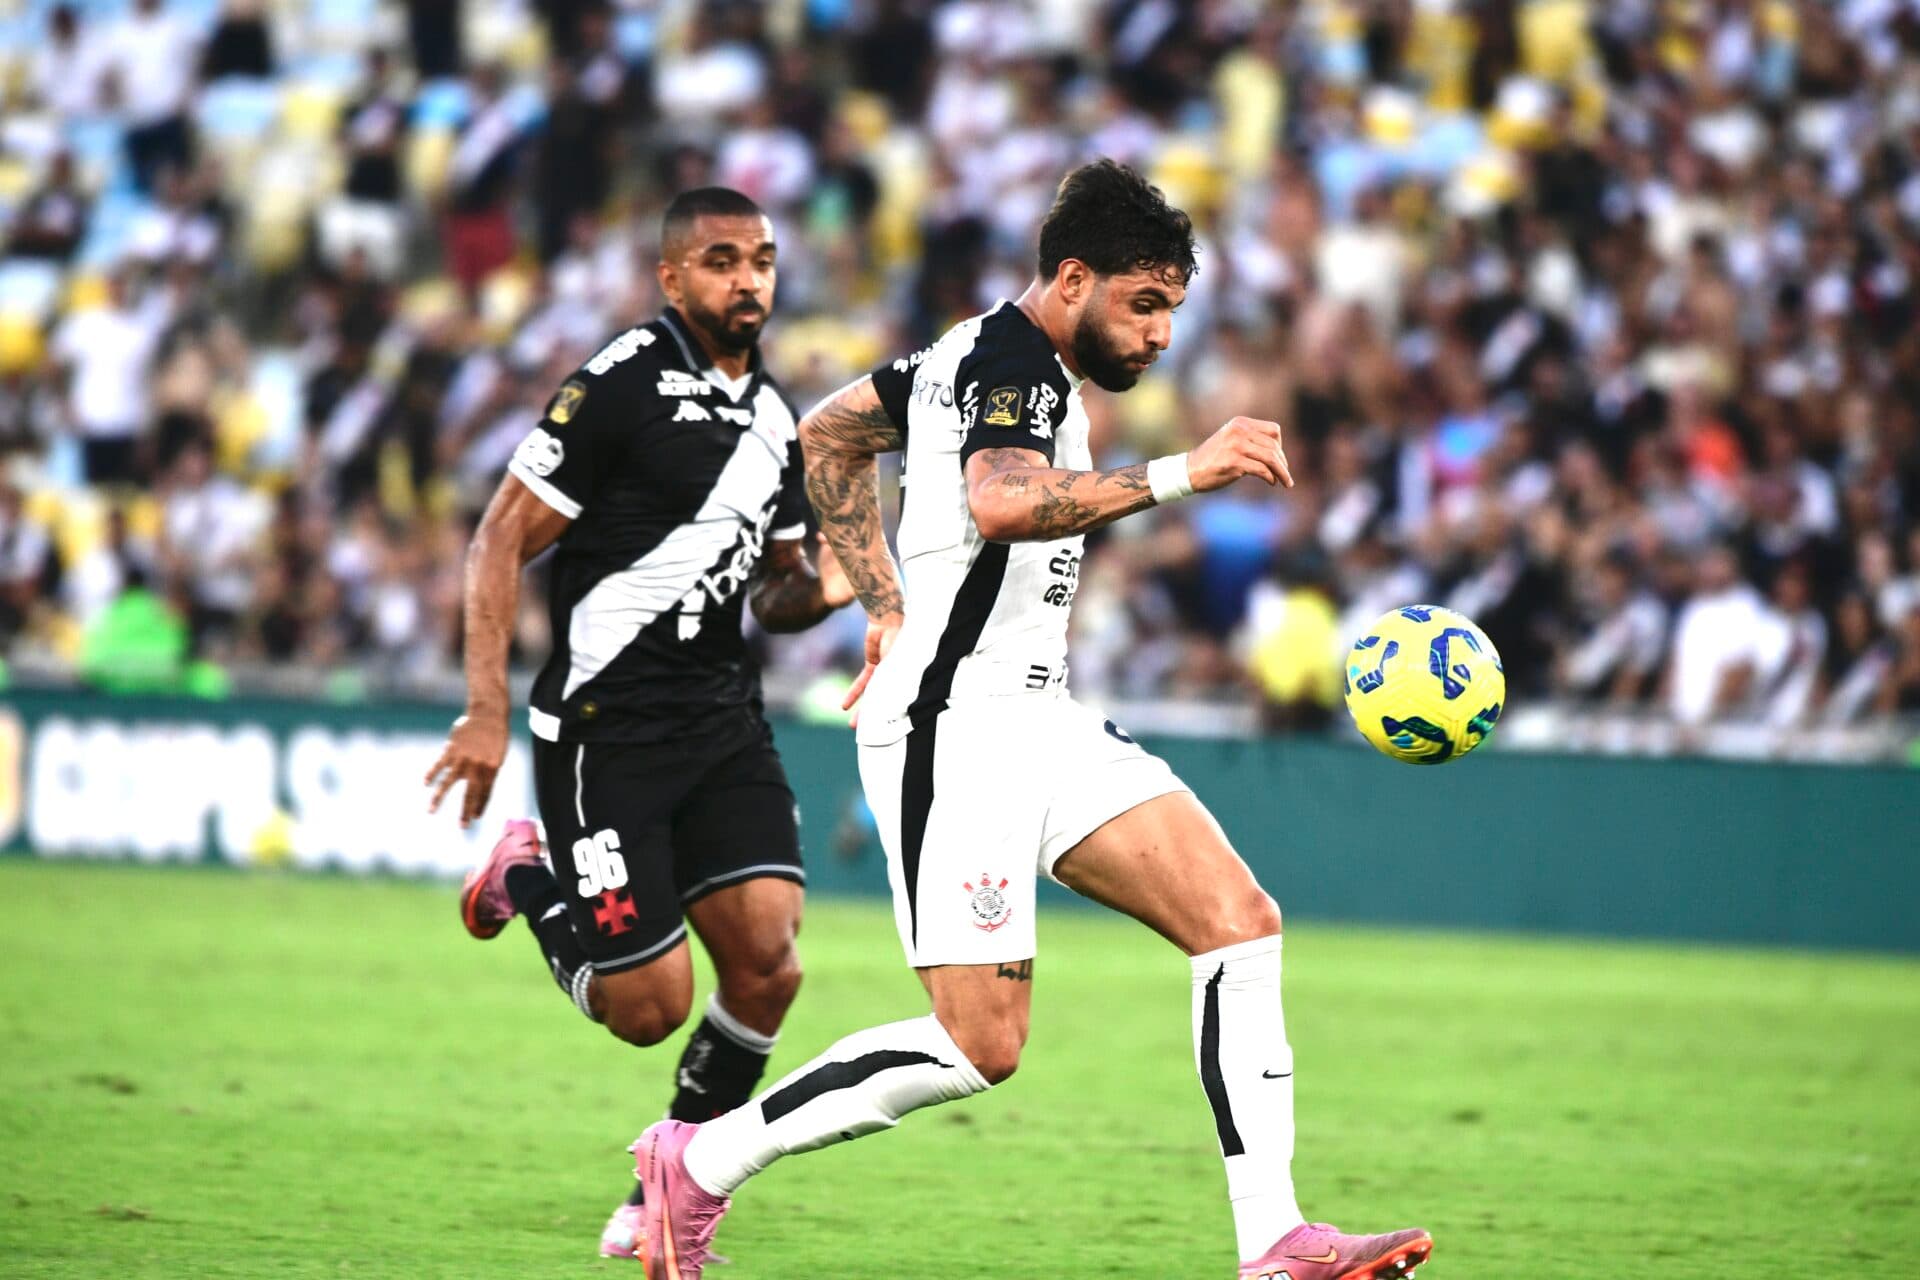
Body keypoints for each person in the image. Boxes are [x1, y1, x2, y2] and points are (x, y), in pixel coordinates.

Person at [629, 161, 1433, 1280]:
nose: (1158, 334)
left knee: (1239, 920)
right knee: (978, 1044)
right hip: (950, 731)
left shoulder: (972, 352)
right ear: (1070, 279)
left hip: (1036, 713)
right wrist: (1182, 472)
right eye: (1142, 303)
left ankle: (1276, 1241)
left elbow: (829, 433)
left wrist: (883, 593)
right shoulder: (1013, 361)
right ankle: (700, 1162)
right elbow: (1000, 500)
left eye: (1171, 311)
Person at [424, 188, 856, 1261]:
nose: (748, 279)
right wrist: (485, 707)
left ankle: (677, 1177)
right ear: (673, 279)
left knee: (770, 965)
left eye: (761, 259)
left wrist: (841, 583)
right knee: (648, 1007)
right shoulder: (617, 384)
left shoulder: (776, 419)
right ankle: (525, 874)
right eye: (721, 260)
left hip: (722, 724)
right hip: (603, 729)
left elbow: (777, 593)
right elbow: (496, 541)